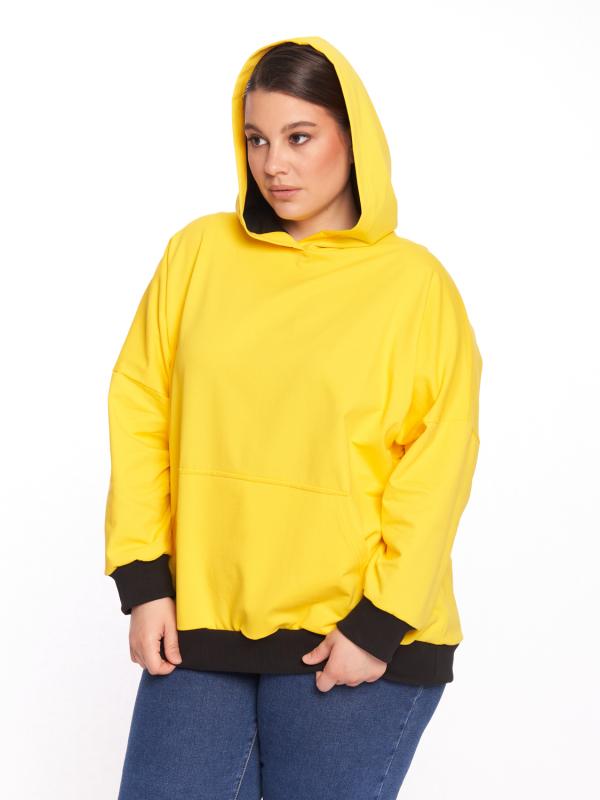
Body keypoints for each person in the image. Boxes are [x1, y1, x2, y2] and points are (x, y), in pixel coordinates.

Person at [104, 35, 483, 799]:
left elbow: (438, 463)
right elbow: (142, 408)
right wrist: (144, 581)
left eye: (299, 137)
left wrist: (378, 624)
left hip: (354, 635)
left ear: (353, 139)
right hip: (204, 620)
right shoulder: (198, 255)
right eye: (257, 140)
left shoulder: (414, 285)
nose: (273, 163)